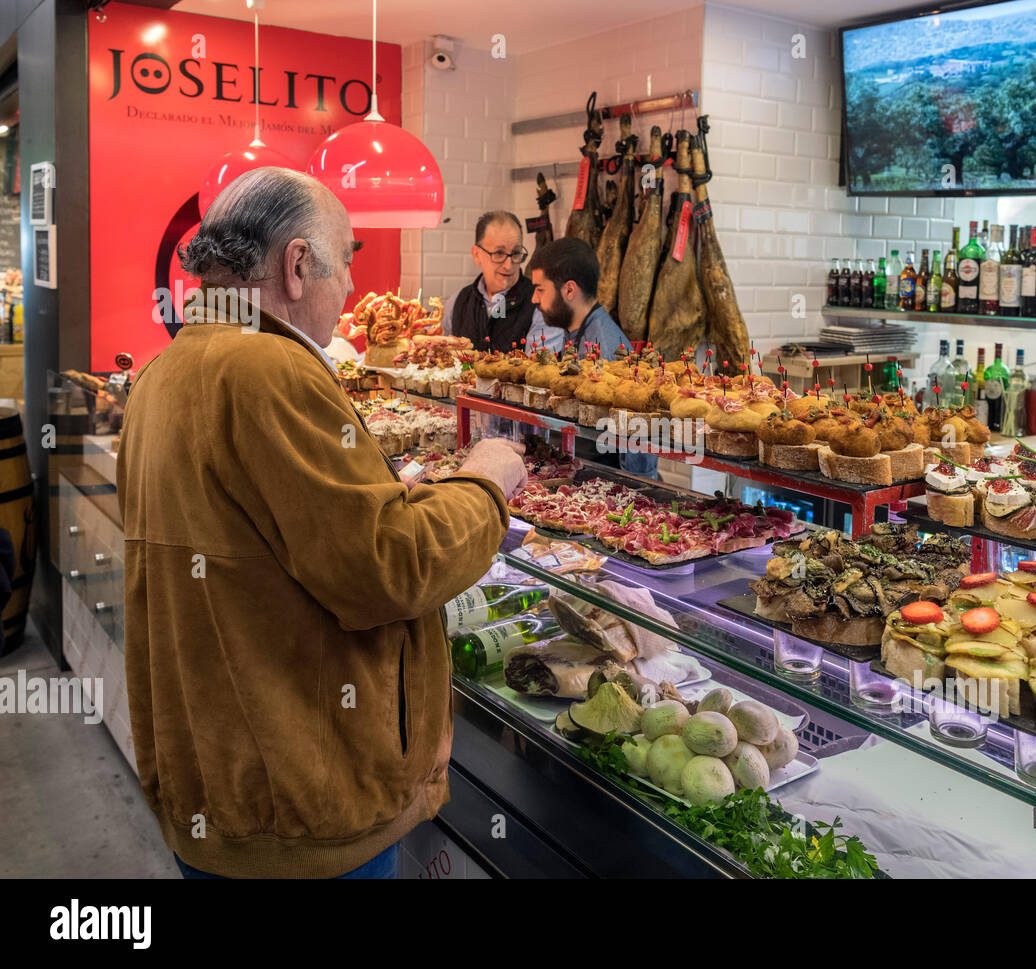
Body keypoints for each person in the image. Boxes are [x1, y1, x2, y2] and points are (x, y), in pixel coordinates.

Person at [117, 167, 527, 879]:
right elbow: (390, 568)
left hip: (216, 792)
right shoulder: (270, 369)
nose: (351, 295)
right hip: (303, 808)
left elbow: (264, 543)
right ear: (298, 265)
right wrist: (486, 481)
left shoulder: (165, 370)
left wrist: (380, 494)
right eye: (345, 266)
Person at [531, 238, 658, 477]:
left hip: (603, 481)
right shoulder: (578, 332)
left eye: (540, 290)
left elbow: (638, 435)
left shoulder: (604, 347)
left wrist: (633, 491)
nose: (534, 299)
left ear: (569, 290)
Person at [448, 210, 564, 354]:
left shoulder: (543, 306)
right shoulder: (457, 302)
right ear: (477, 255)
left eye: (515, 253)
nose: (508, 265)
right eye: (499, 253)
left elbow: (539, 372)